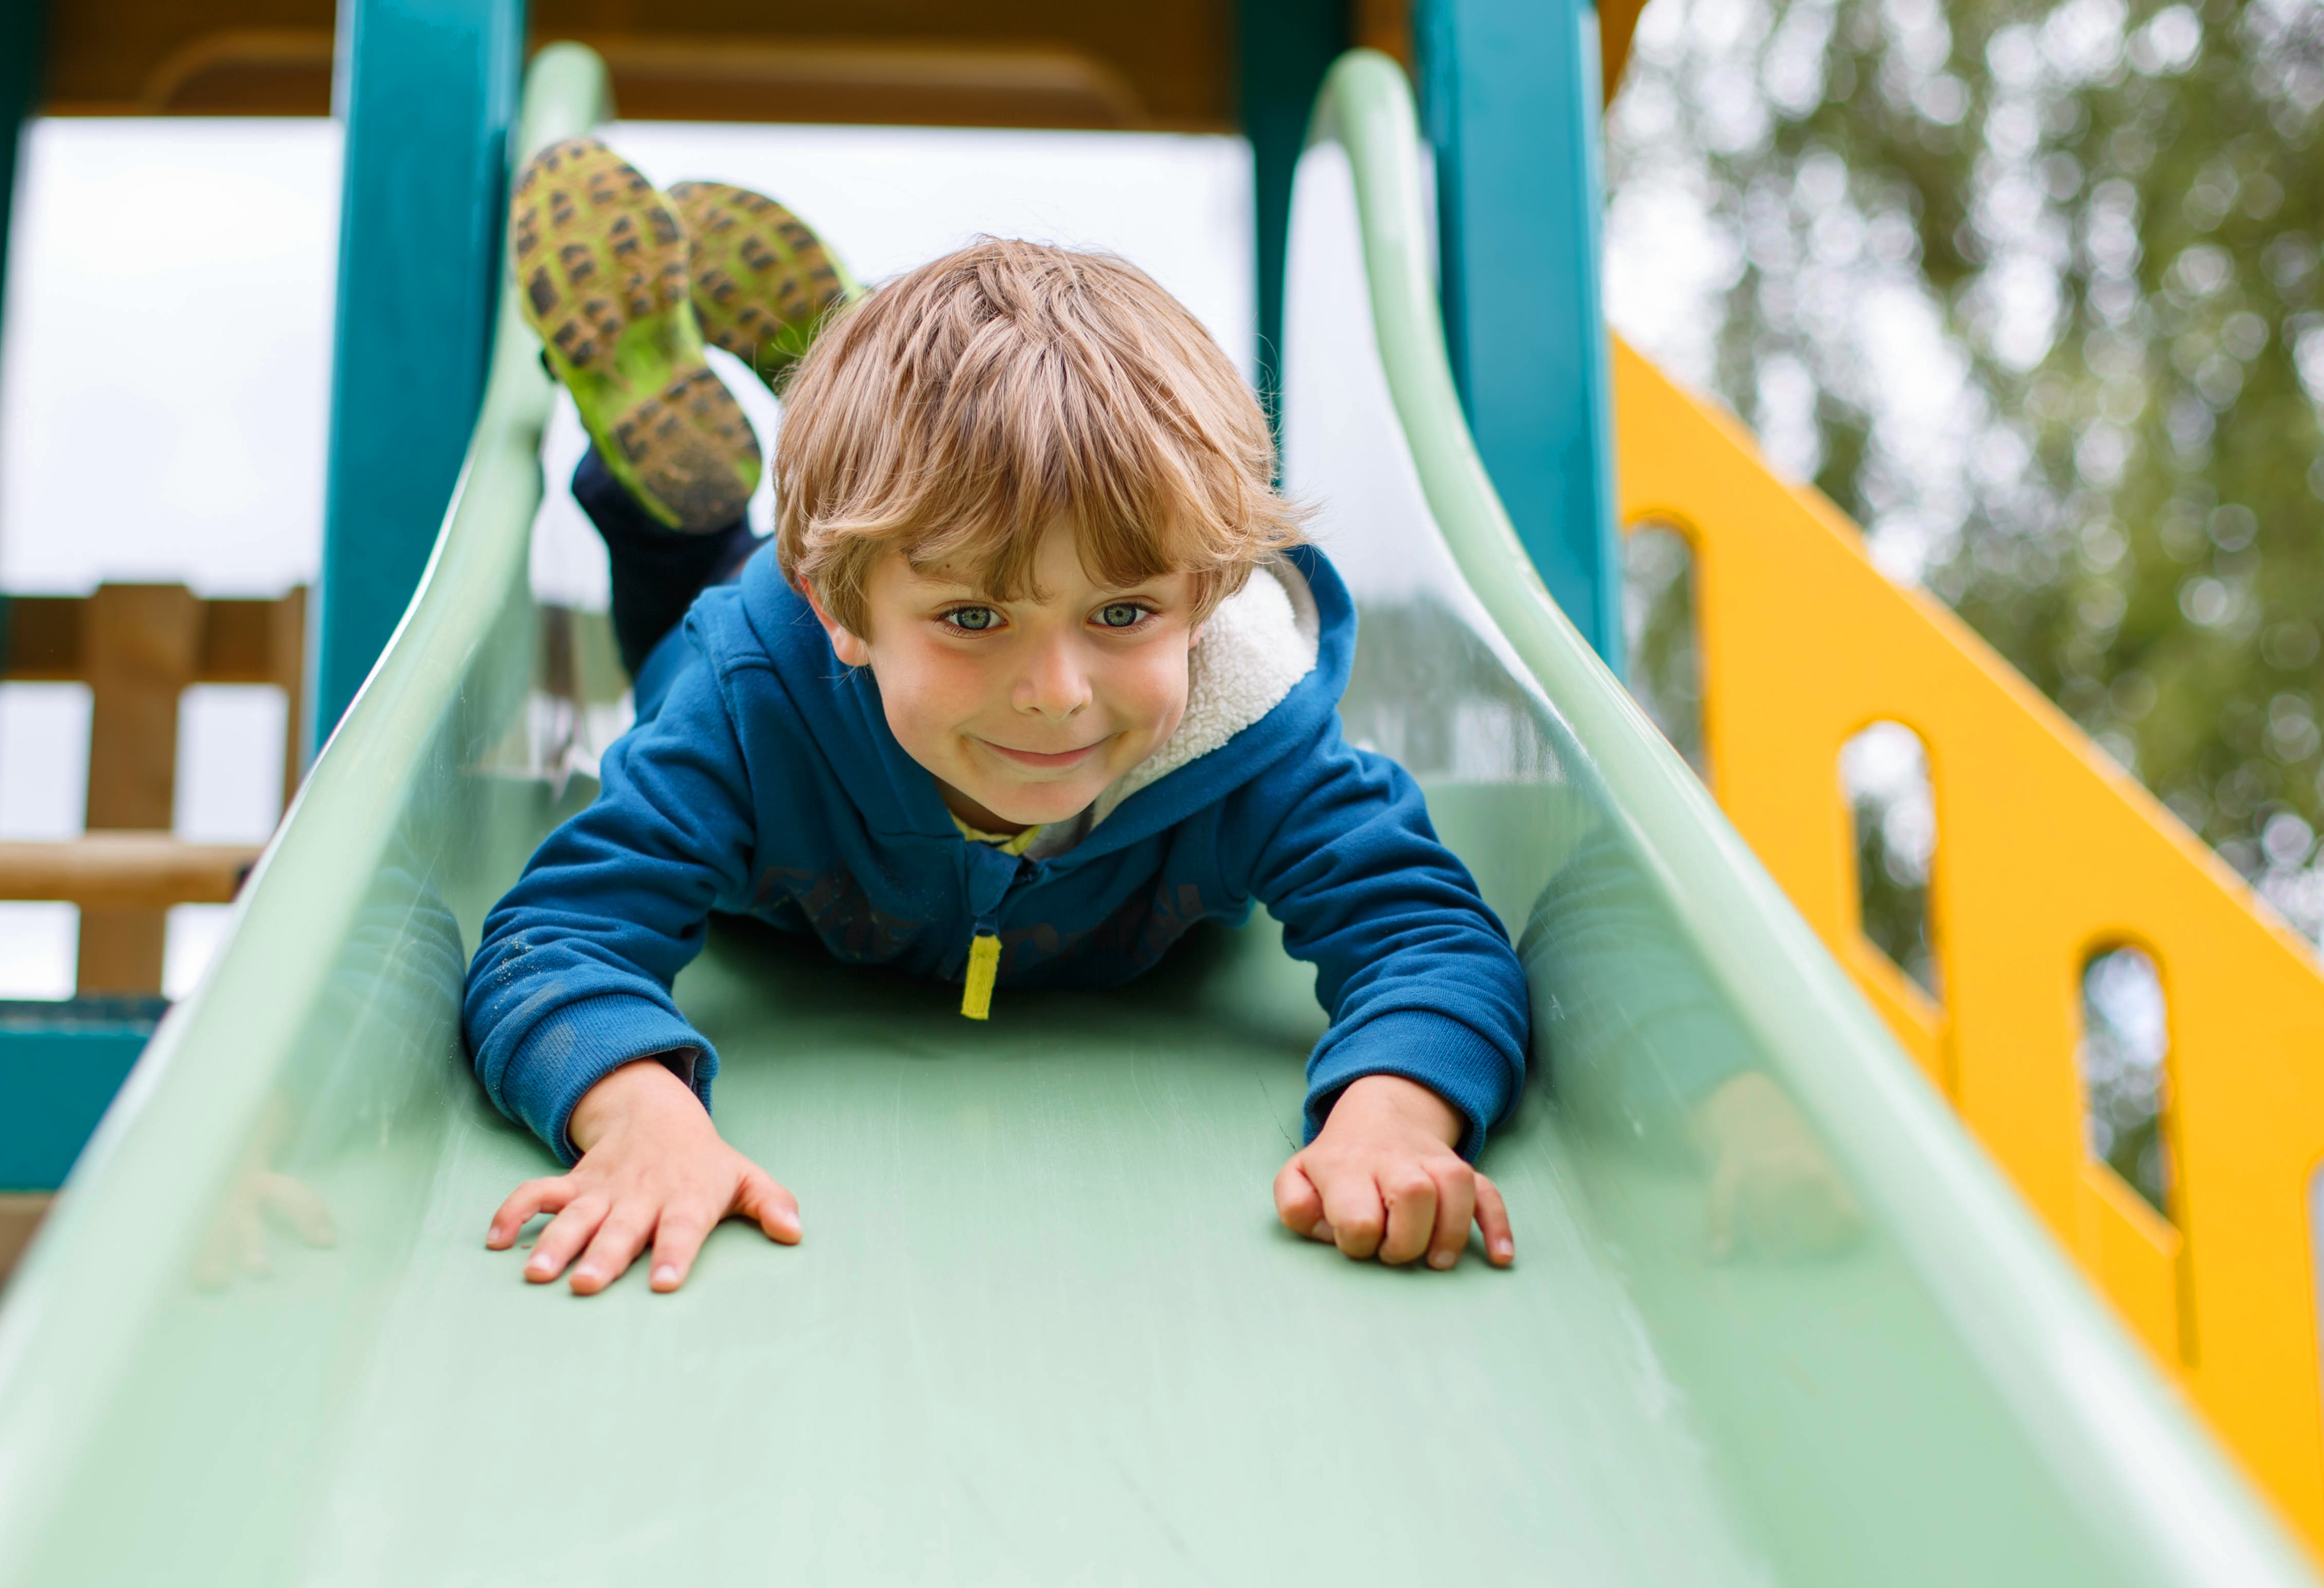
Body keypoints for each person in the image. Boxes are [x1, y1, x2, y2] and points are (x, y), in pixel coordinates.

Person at [463, 138, 1532, 1296]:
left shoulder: (1250, 737)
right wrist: (636, 1113)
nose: (1058, 690)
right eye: (977, 620)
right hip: (763, 640)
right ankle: (684, 483)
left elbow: (1428, 934)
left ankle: (872, 406)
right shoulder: (742, 711)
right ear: (845, 609)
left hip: (875, 573)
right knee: (691, 607)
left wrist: (1395, 1113)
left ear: (1209, 594)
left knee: (956, 515)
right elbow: (552, 938)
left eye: (1123, 611)